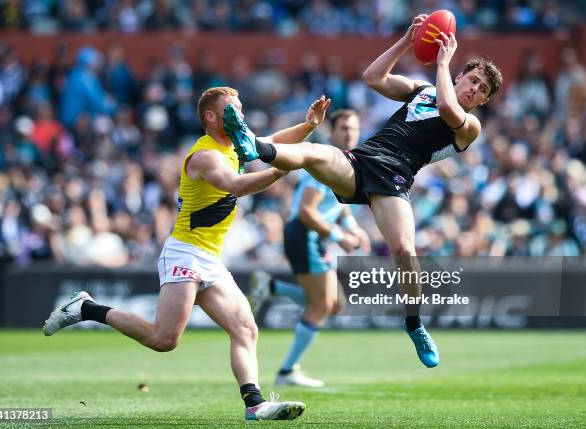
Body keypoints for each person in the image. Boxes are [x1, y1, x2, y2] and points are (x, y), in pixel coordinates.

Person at [223, 15, 503, 369]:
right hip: (361, 162)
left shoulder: (470, 125)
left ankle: (414, 324)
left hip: (395, 179)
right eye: (473, 80)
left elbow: (448, 107)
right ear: (462, 77)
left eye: (481, 91)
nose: (474, 90)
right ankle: (254, 148)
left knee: (405, 252)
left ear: (481, 103)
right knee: (315, 153)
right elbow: (373, 77)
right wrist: (406, 40)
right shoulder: (423, 90)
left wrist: (444, 62)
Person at [44, 86, 332, 421]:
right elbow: (237, 185)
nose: (238, 114)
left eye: (239, 108)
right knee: (163, 339)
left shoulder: (234, 146)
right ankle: (85, 308)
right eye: (231, 109)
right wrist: (282, 169)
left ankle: (254, 405)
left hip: (210, 259)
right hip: (185, 254)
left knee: (245, 329)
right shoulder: (206, 155)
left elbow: (270, 142)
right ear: (211, 116)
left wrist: (309, 125)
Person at [249, 109, 370, 387]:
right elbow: (306, 211)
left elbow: (335, 204)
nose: (350, 133)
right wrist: (339, 235)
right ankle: (287, 371)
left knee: (335, 304)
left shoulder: (343, 161)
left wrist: (352, 225)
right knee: (319, 307)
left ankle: (271, 288)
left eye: (353, 128)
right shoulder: (323, 160)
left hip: (312, 235)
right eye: (344, 129)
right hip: (304, 233)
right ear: (333, 132)